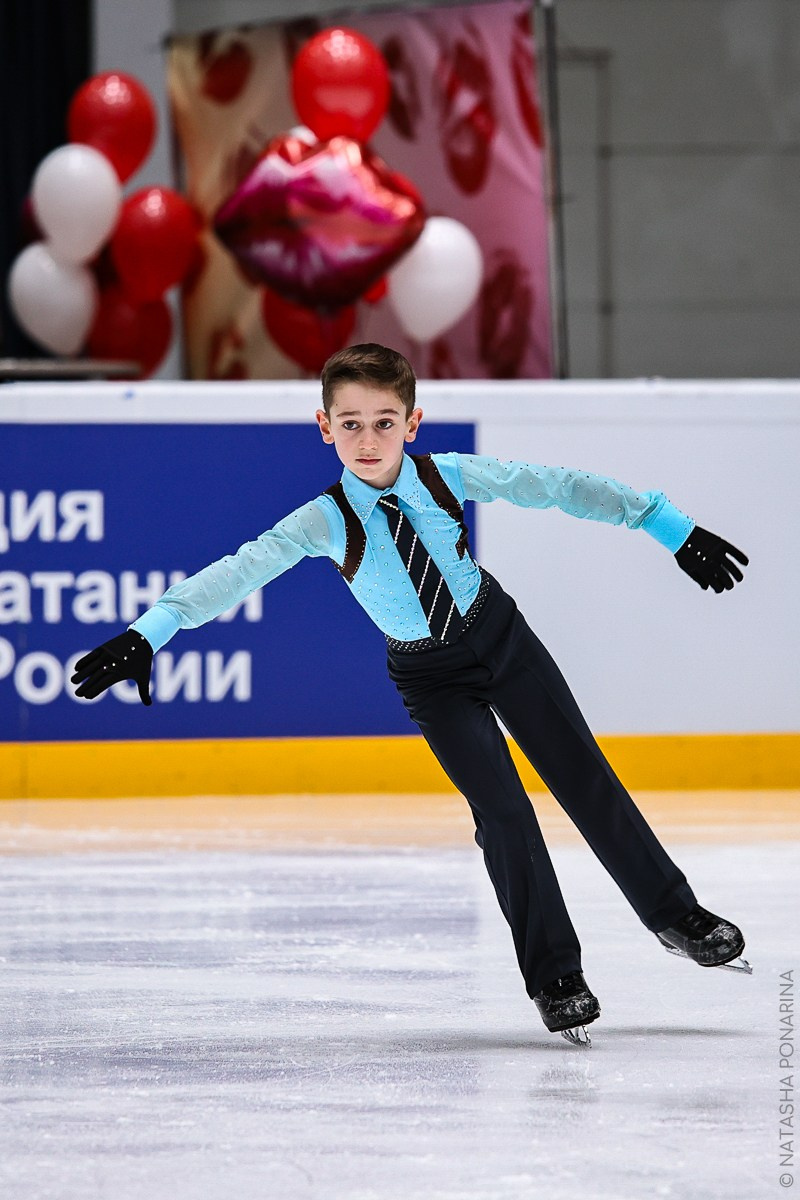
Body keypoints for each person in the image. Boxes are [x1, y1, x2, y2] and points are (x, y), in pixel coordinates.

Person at [71, 343, 751, 1045]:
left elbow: (556, 486)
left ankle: (675, 914)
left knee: (583, 776)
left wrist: (666, 525)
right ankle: (555, 976)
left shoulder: (445, 477)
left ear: (414, 422)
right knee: (505, 815)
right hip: (431, 677)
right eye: (353, 423)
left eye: (385, 422)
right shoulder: (323, 520)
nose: (370, 440)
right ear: (325, 426)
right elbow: (236, 573)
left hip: (503, 638)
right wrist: (150, 632)